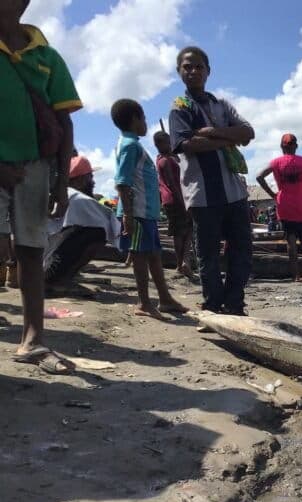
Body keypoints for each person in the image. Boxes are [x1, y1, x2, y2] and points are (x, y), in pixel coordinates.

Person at [1, 2, 81, 374]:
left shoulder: (47, 56)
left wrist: (62, 181)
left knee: (31, 251)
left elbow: (64, 123)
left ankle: (33, 341)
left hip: (36, 169)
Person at [169, 46, 254, 315]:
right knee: (208, 256)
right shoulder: (179, 107)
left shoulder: (221, 105)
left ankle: (235, 303)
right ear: (179, 72)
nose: (193, 71)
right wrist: (228, 137)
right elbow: (186, 143)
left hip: (234, 192)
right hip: (202, 194)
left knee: (242, 250)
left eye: (198, 66)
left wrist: (212, 132)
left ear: (208, 71)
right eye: (187, 67)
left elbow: (248, 132)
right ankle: (214, 305)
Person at [111, 98, 188, 319]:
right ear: (135, 119)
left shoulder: (132, 144)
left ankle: (164, 299)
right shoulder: (129, 145)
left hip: (146, 213)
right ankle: (144, 302)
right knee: (140, 257)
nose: (146, 122)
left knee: (154, 254)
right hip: (136, 213)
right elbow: (122, 181)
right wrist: (127, 214)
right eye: (144, 118)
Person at [257, 133, 302, 282]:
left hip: (284, 204)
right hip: (301, 203)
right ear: (296, 146)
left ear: (282, 147)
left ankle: (295, 276)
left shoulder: (275, 162)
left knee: (290, 240)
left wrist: (272, 194)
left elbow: (259, 176)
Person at [44, 156, 121, 288]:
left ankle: (59, 279)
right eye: (90, 177)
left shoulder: (61, 194)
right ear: (80, 179)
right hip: (47, 268)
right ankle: (57, 282)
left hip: (40, 265)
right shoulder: (78, 198)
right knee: (97, 234)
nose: (93, 182)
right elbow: (110, 222)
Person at [154, 131, 193, 277]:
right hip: (176, 199)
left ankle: (183, 263)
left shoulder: (164, 159)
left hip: (170, 199)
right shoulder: (166, 161)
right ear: (160, 144)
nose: (170, 144)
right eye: (167, 142)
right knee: (184, 231)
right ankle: (182, 263)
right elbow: (172, 184)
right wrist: (183, 203)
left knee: (182, 231)